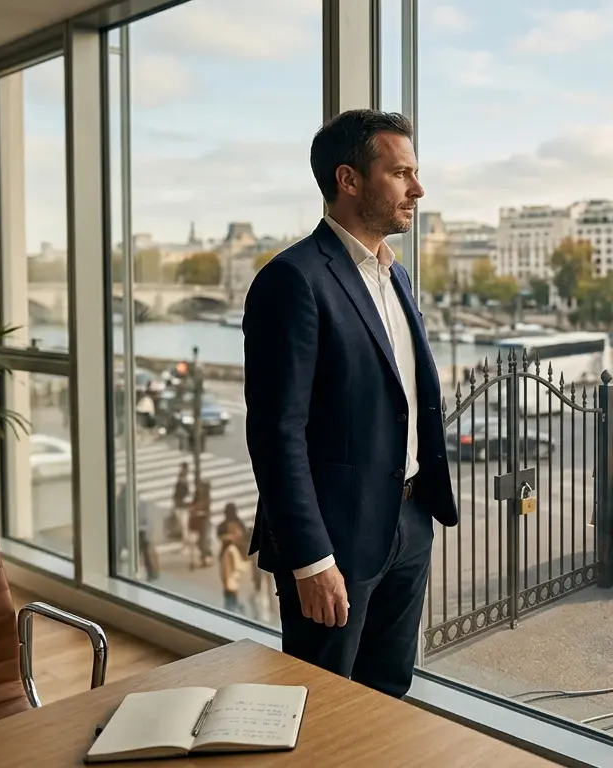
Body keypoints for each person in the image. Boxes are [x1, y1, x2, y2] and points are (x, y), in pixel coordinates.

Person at [243, 109, 458, 698]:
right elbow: (275, 432)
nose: (418, 188)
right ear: (350, 180)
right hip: (333, 541)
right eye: (401, 173)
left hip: (409, 521)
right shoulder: (292, 279)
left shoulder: (398, 277)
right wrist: (310, 559)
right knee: (321, 704)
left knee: (388, 693)